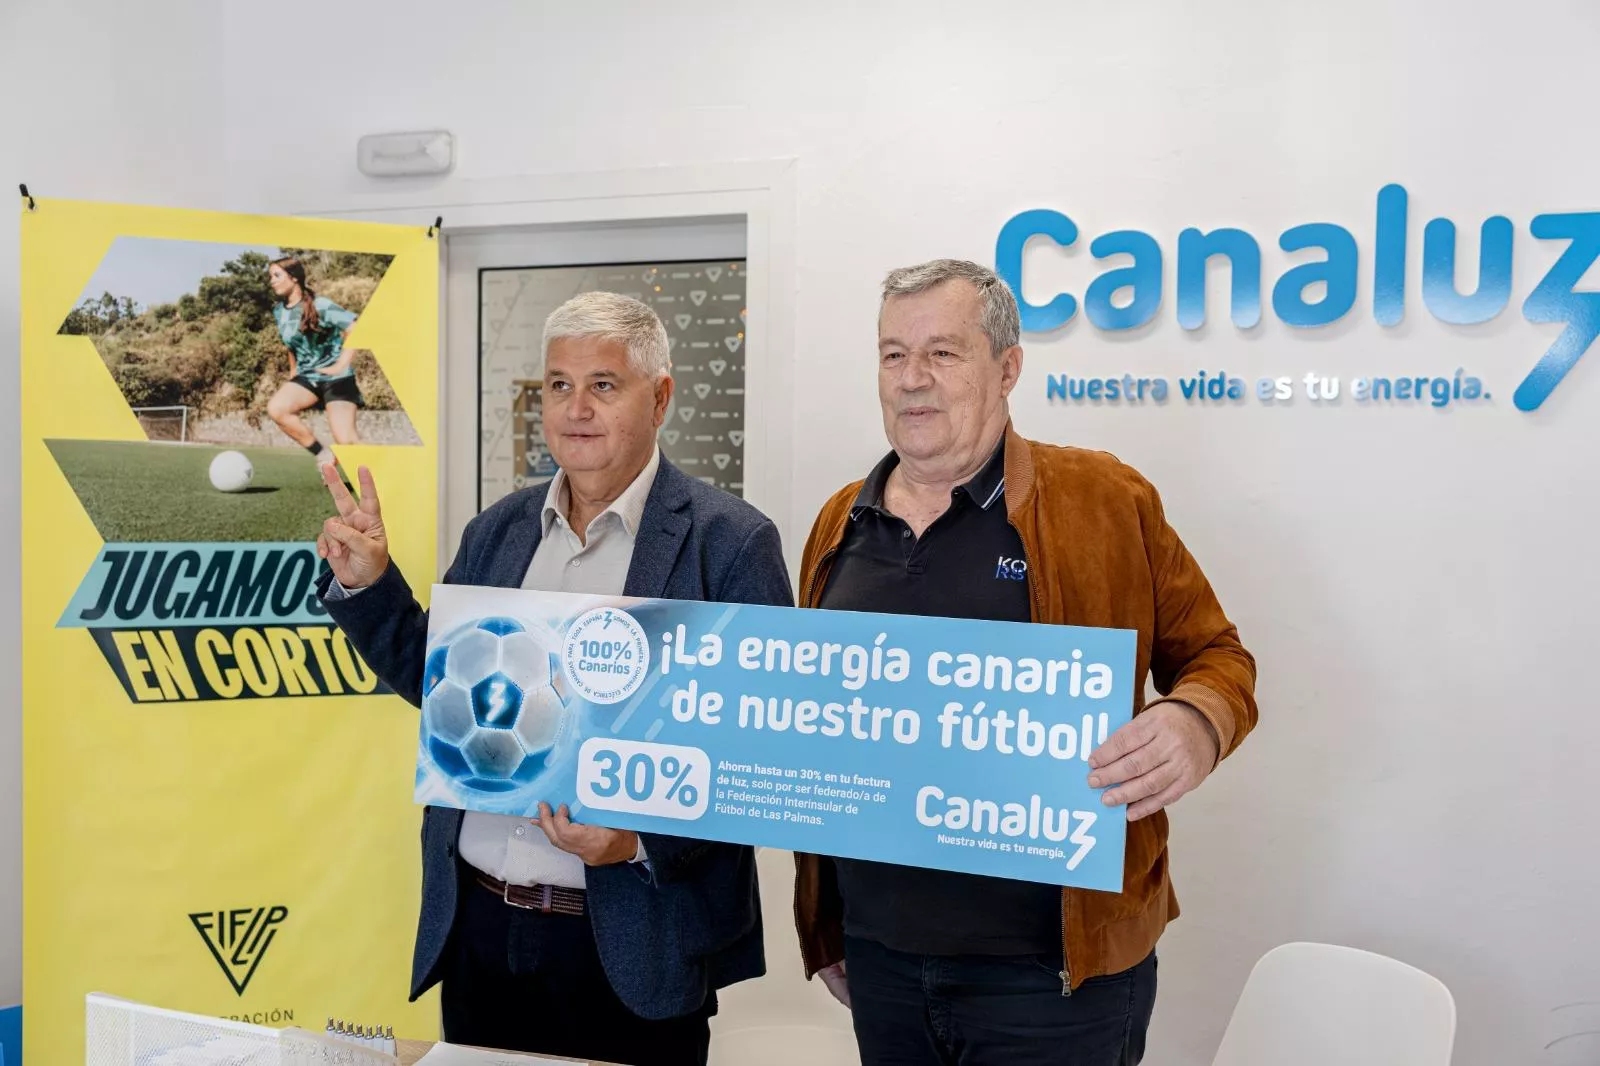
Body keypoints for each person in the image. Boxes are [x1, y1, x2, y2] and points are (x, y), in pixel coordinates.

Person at [792, 259, 1258, 1066]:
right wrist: (828, 923)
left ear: (1007, 369)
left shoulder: (1104, 498)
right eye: (893, 354)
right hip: (882, 960)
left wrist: (1196, 722)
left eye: (942, 353)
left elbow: (1218, 655)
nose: (911, 379)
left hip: (1054, 979)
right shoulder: (841, 520)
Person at [315, 291, 793, 1066]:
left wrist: (637, 841)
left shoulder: (729, 543)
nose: (576, 409)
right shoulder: (498, 531)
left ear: (660, 398)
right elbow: (440, 690)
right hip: (479, 931)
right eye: (559, 385)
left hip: (627, 945)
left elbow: (763, 754)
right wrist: (369, 583)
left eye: (604, 384)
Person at [266, 255, 363, 466]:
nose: (272, 281)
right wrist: (293, 374)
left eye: (276, 275)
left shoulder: (321, 305)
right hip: (308, 378)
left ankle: (379, 478)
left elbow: (354, 328)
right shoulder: (279, 311)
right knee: (277, 409)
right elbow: (291, 344)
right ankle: (324, 455)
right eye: (270, 276)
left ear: (294, 277)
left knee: (347, 442)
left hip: (337, 379)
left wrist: (341, 364)